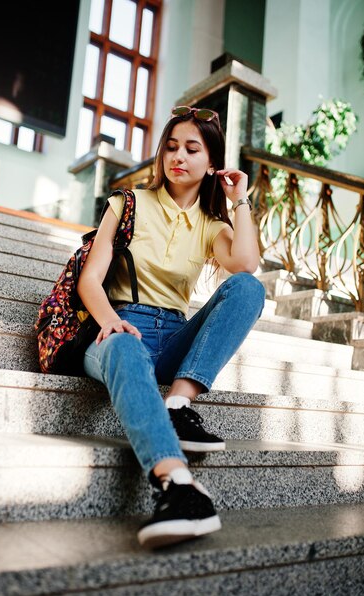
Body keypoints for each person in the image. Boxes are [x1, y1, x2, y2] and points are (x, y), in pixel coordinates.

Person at [77, 105, 265, 549]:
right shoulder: (129, 203)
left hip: (174, 338)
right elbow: (90, 279)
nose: (178, 156)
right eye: (171, 147)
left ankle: (178, 407)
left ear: (211, 163)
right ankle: (178, 486)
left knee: (247, 289)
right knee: (123, 347)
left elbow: (245, 263)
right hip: (119, 325)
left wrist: (239, 200)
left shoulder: (210, 225)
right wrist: (110, 322)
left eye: (192, 149)